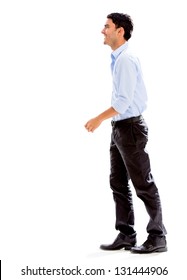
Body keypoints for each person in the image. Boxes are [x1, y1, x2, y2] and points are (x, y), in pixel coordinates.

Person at [84, 13, 167, 253]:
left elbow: (122, 102)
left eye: (107, 26)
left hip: (130, 127)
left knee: (143, 183)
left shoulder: (126, 60)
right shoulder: (117, 59)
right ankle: (126, 234)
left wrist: (97, 119)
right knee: (118, 182)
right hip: (120, 127)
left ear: (120, 31)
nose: (103, 30)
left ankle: (158, 236)